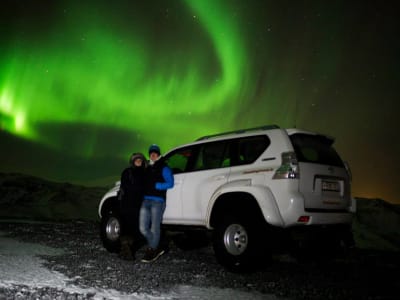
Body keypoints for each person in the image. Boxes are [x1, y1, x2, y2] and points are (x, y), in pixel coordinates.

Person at [139, 144, 174, 263]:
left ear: (158, 154)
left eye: (155, 153)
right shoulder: (147, 167)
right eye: (151, 153)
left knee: (155, 227)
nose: (153, 155)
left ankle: (152, 250)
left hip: (157, 201)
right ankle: (156, 245)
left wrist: (158, 186)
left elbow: (170, 183)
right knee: (143, 228)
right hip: (145, 200)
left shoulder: (164, 167)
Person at [118, 152, 146, 260]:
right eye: (136, 160)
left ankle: (128, 250)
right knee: (127, 227)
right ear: (133, 161)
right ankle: (126, 251)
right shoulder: (127, 172)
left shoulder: (145, 173)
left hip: (139, 205)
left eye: (140, 160)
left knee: (137, 229)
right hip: (128, 204)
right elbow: (125, 186)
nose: (138, 161)